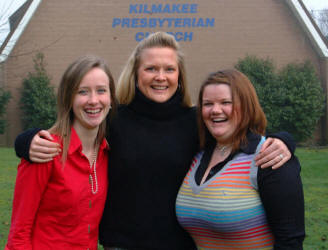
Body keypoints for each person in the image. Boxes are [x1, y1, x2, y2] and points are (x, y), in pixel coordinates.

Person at [14, 32, 294, 250]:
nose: (160, 77)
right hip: (120, 244)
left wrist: (284, 142)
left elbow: (244, 132)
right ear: (136, 74)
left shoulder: (194, 122)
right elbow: (74, 124)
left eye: (169, 69)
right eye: (151, 69)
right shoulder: (114, 119)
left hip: (179, 246)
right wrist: (25, 142)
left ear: (179, 75)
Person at [176, 69, 305, 249]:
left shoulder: (270, 157)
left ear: (246, 106)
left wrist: (285, 140)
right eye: (207, 104)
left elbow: (290, 240)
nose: (215, 110)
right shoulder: (196, 154)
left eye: (226, 102)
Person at [6, 55, 116, 250]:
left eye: (101, 91)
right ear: (68, 98)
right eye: (82, 92)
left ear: (111, 98)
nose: (93, 100)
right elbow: (18, 234)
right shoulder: (44, 150)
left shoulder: (108, 152)